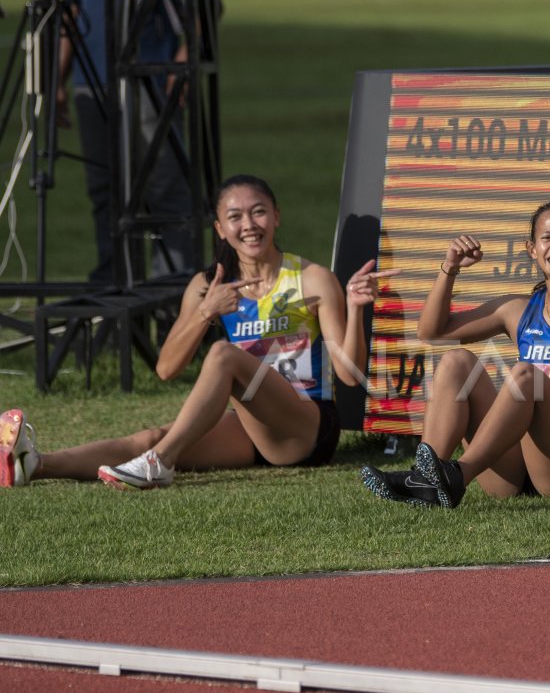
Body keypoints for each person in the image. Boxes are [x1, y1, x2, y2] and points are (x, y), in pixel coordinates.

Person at [0, 174, 394, 489]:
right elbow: (167, 370)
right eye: (235, 217)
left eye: (258, 212)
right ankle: (36, 465)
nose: (249, 225)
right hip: (251, 426)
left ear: (277, 215)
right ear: (220, 228)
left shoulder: (312, 278)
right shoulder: (208, 285)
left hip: (306, 426)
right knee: (150, 436)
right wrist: (205, 311)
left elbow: (348, 375)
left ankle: (160, 463)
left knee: (223, 354)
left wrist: (356, 306)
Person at [361, 197, 550, 508]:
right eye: (547, 237)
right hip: (514, 469)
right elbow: (433, 332)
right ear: (532, 249)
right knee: (455, 362)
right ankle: (425, 476)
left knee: (526, 376)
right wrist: (449, 270)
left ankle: (456, 476)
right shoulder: (518, 310)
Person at [57, 0, 196, 282]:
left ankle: (172, 284)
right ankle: (112, 279)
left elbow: (206, 7)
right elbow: (71, 10)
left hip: (151, 76)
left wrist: (184, 62)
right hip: (91, 81)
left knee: (164, 185)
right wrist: (57, 77)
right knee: (104, 187)